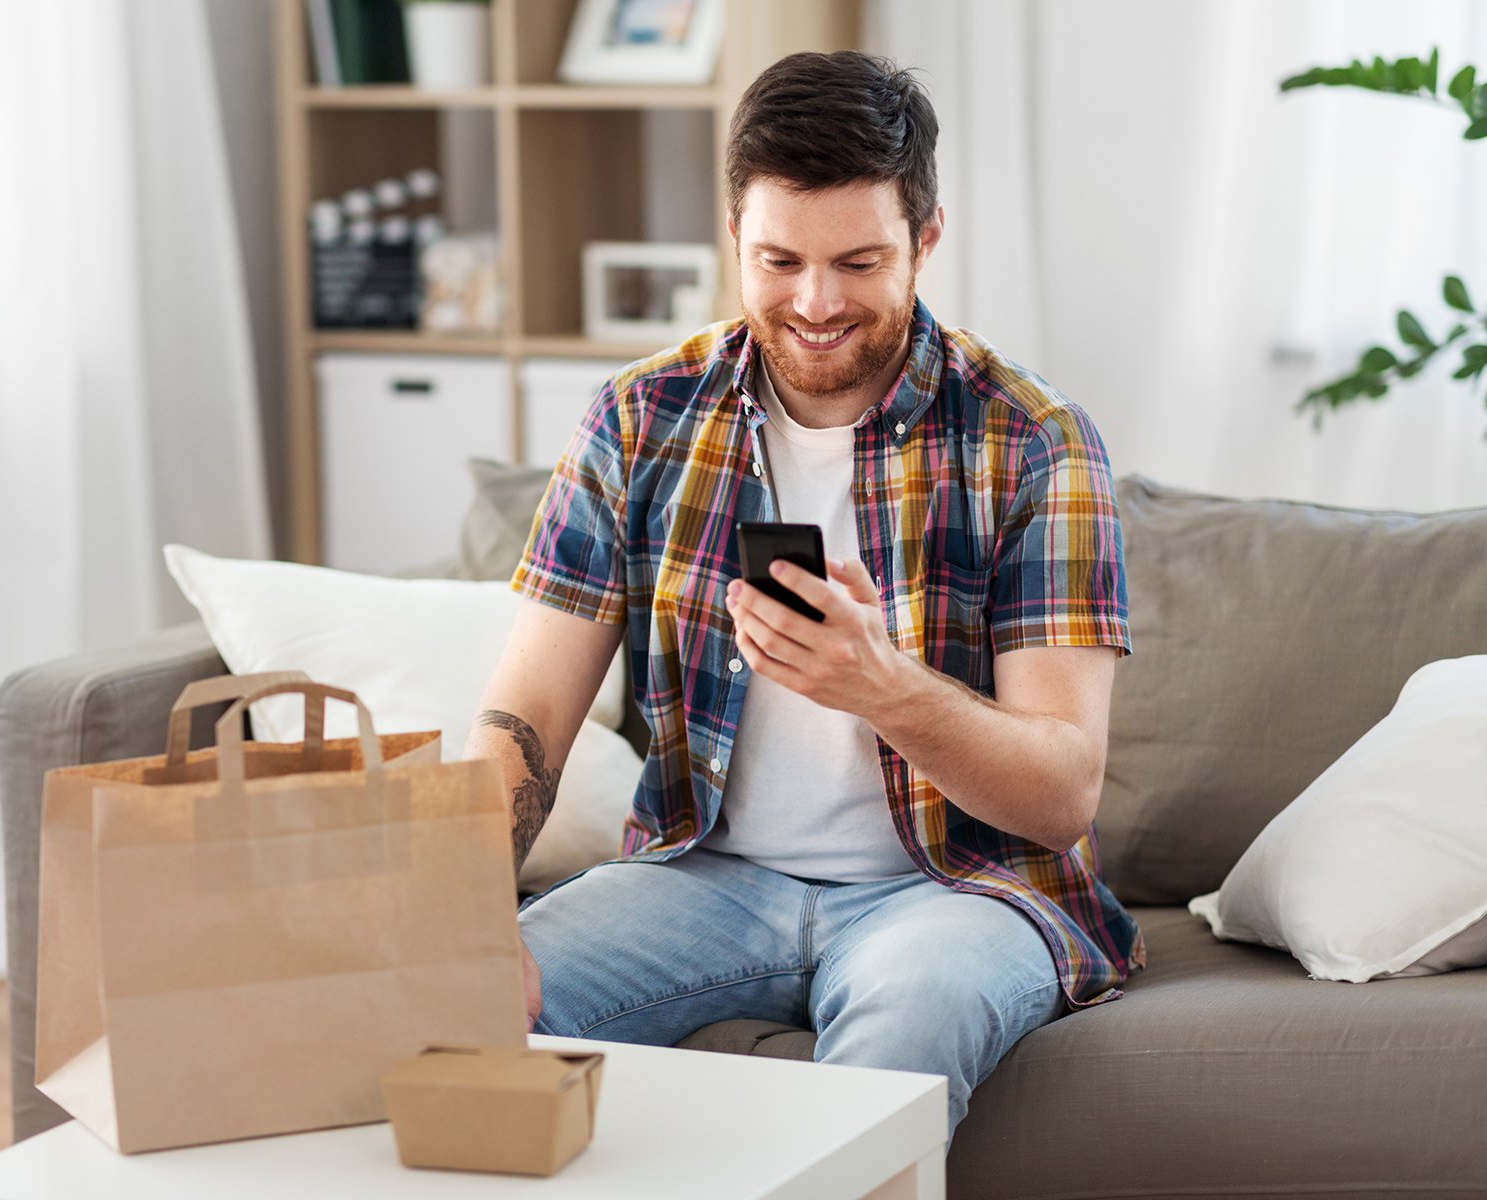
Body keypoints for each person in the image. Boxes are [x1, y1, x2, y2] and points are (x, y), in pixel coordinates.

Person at [463, 50, 1142, 1141]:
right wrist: (464, 918)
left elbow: (1061, 796)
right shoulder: (641, 419)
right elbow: (526, 717)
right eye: (780, 260)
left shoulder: (1033, 441)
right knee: (450, 1014)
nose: (817, 304)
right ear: (733, 235)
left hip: (956, 893)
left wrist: (884, 690)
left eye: (859, 261)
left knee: (891, 1054)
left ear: (925, 240)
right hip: (704, 880)